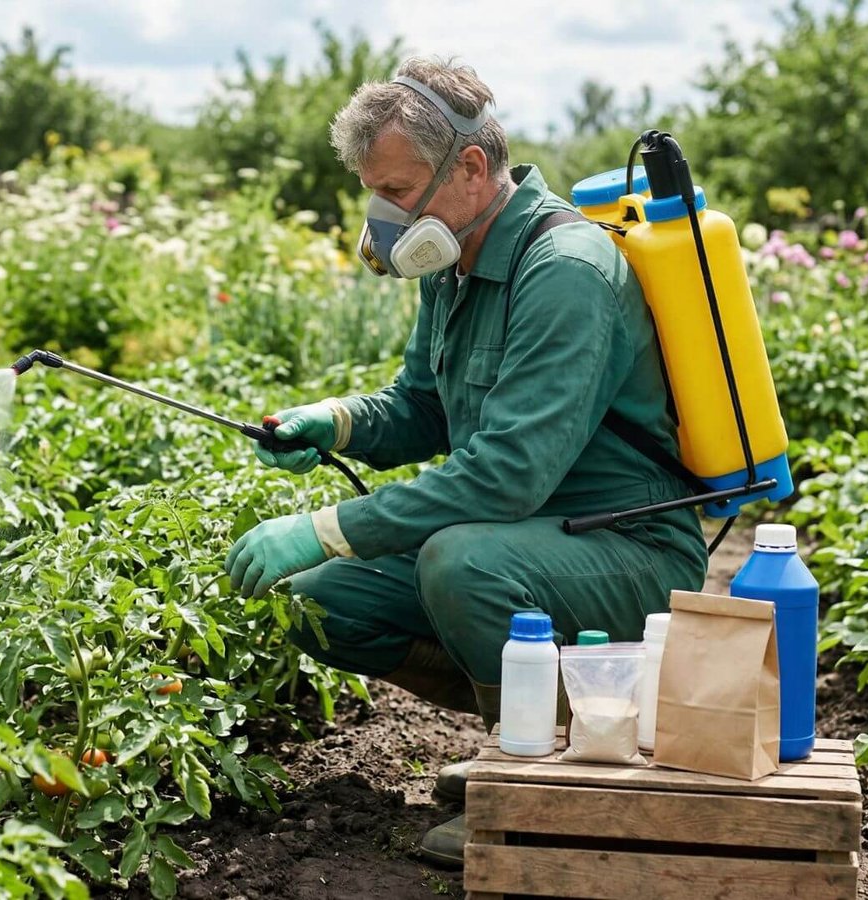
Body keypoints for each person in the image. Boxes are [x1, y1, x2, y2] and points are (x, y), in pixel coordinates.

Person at [222, 55, 708, 867]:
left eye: (400, 191)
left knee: (460, 561)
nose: (385, 216)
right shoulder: (450, 261)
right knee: (321, 601)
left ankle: (538, 776)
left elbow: (504, 476)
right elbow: (423, 406)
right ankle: (537, 727)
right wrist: (333, 423)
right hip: (536, 541)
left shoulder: (566, 272)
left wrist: (329, 525)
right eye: (377, 193)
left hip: (633, 554)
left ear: (472, 167)